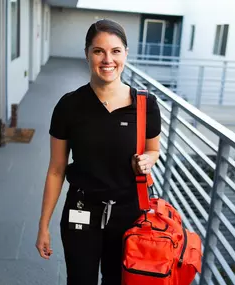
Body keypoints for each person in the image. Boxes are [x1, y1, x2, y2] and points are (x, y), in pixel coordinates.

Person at [35, 19, 161, 285]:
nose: (108, 59)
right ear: (87, 54)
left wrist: (147, 160)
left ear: (126, 54)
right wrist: (43, 225)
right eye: (98, 51)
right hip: (81, 210)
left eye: (116, 51)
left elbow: (153, 150)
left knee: (117, 280)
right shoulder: (69, 106)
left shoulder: (145, 105)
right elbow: (56, 170)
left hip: (128, 214)